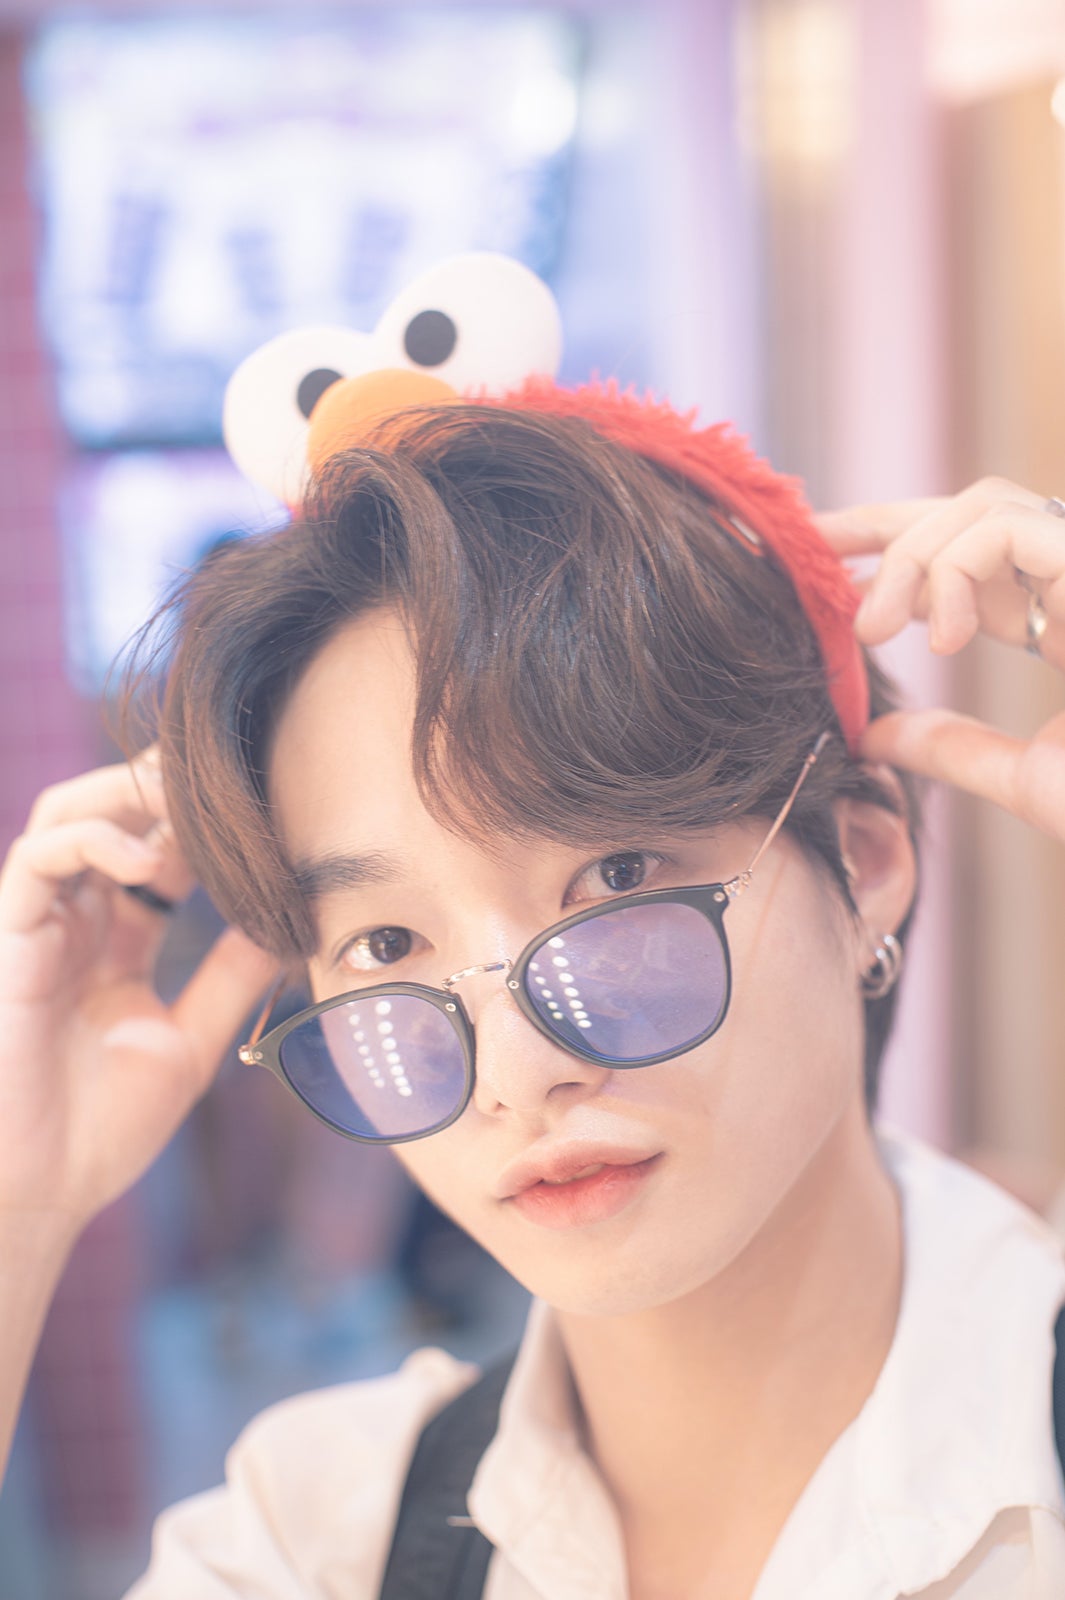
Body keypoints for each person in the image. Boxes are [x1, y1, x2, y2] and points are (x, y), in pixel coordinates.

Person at [2, 357, 1065, 1599]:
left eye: (613, 877)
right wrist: (23, 1195)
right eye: (386, 945)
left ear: (866, 864)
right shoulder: (320, 1536)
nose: (517, 1071)